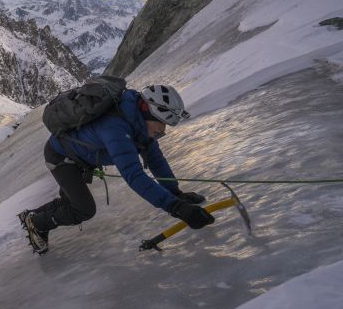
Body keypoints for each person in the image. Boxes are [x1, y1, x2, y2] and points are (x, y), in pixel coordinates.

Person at [19, 84, 214, 254]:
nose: (163, 130)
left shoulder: (139, 122)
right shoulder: (116, 127)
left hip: (79, 158)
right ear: (150, 111)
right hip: (61, 156)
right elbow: (134, 175)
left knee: (71, 199)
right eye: (162, 123)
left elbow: (155, 159)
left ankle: (31, 215)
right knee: (84, 209)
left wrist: (175, 193)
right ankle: (37, 223)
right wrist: (176, 208)